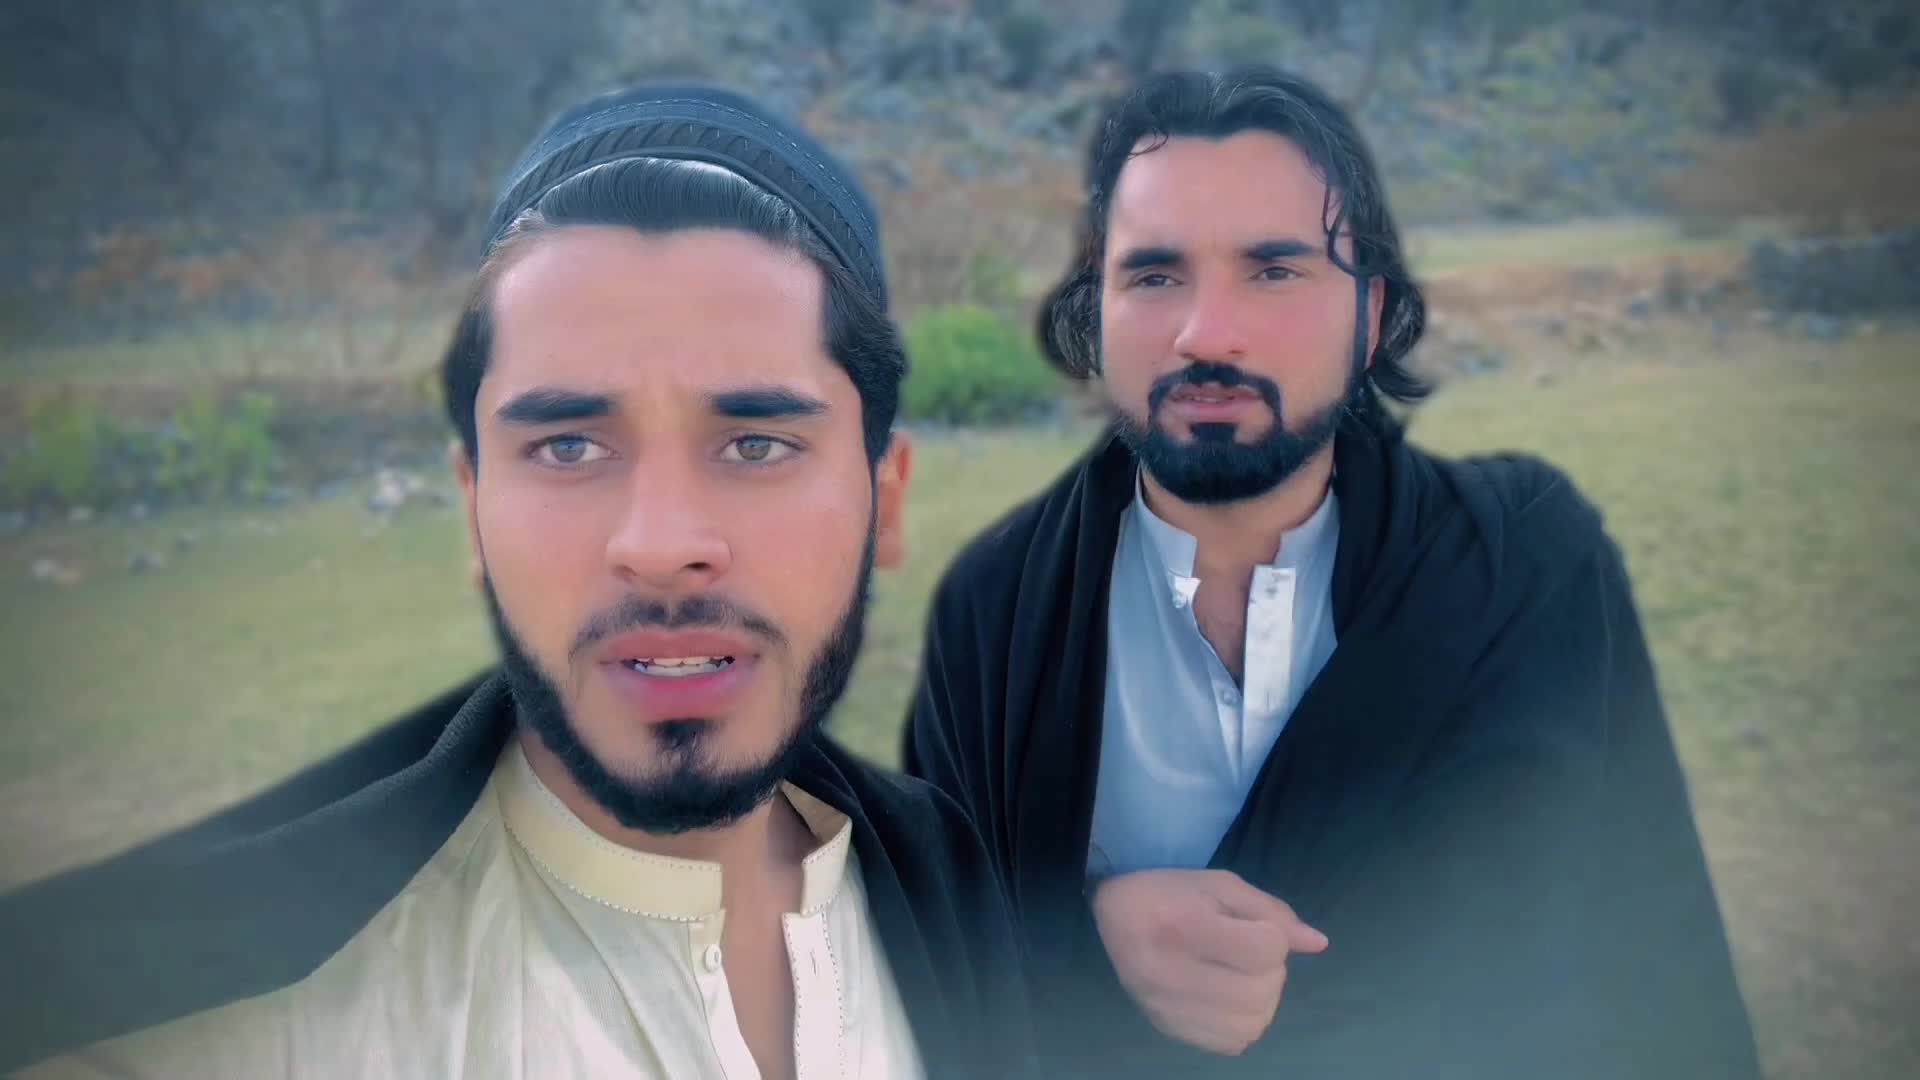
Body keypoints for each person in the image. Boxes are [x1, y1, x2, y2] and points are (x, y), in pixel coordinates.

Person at [0, 84, 1037, 1080]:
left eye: (756, 444)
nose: (661, 544)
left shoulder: (952, 893)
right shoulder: (228, 1035)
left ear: (884, 502)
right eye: (570, 447)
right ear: (473, 509)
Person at [900, 66, 1762, 1079]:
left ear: (1371, 311)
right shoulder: (997, 612)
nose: (1205, 333)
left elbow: (1653, 954)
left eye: (1274, 270)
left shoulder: (1522, 567)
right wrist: (1089, 932)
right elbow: (929, 973)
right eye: (1155, 275)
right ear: (1097, 311)